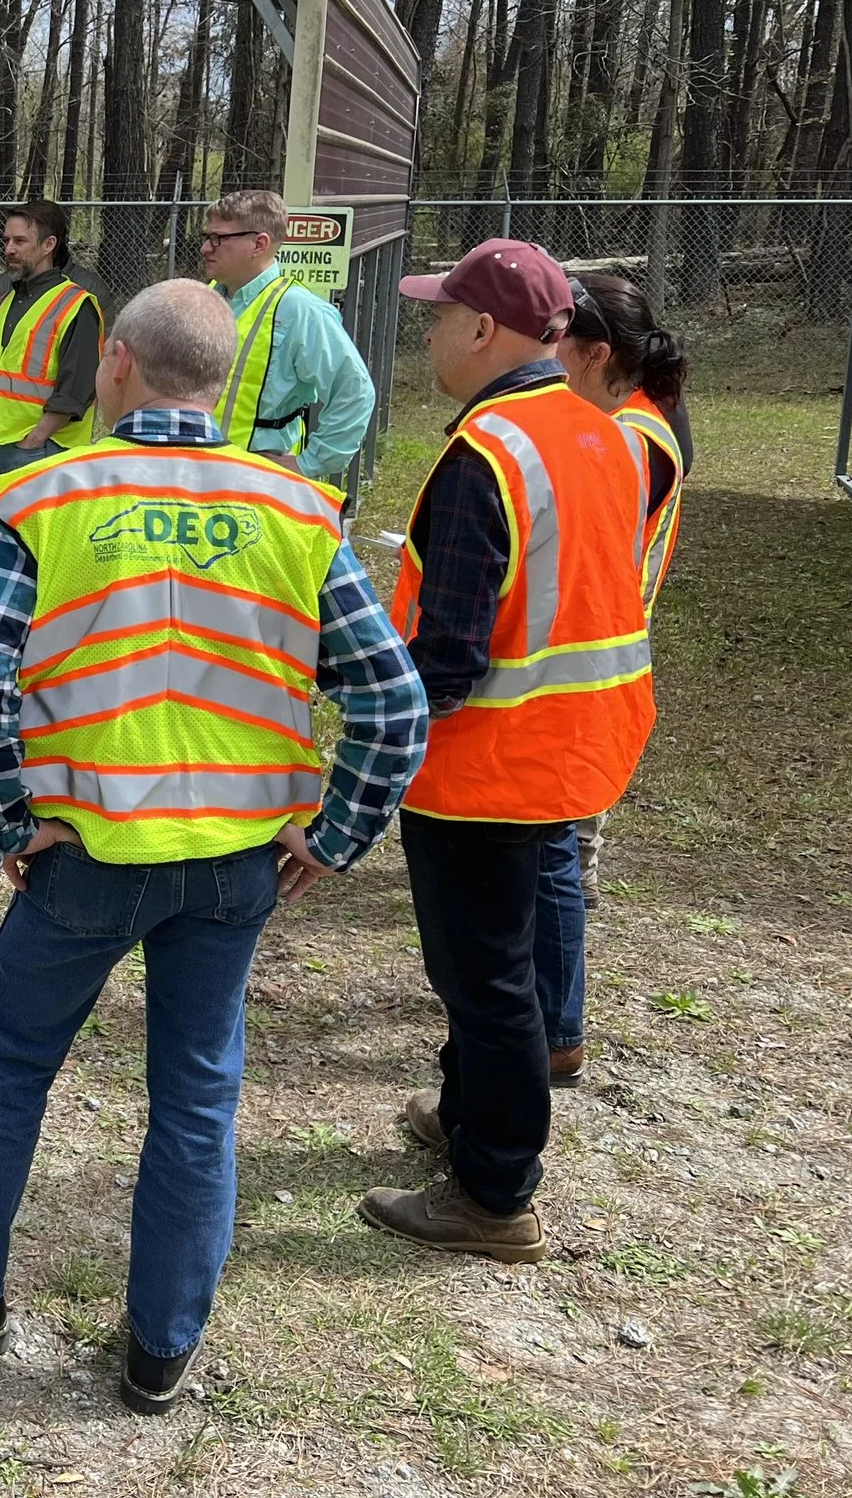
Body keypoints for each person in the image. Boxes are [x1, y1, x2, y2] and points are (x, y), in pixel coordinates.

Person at [0, 279, 425, 1411]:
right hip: (237, 867)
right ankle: (161, 1346)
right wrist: (335, 835)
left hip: (86, 860)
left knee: (11, 1065)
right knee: (199, 1099)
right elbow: (393, 703)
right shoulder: (300, 508)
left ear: (114, 362)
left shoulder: (46, 494)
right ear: (218, 381)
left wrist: (7, 824)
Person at [361, 239, 657, 1262]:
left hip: (489, 765)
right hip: (577, 746)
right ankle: (469, 1114)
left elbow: (446, 650)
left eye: (439, 317)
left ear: (485, 329)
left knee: (482, 977)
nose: (431, 334)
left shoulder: (488, 451)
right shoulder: (604, 434)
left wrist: (367, 709)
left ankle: (493, 1193)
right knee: (502, 968)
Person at [534, 271, 693, 1087]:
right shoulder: (626, 420)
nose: (543, 350)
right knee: (550, 844)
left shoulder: (633, 438)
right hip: (588, 651)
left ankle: (558, 1026)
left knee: (555, 845)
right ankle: (545, 1012)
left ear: (597, 354)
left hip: (589, 658)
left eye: (557, 337)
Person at [197, 187, 377, 483]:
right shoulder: (203, 301)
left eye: (218, 238)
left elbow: (355, 391)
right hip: (195, 478)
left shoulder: (298, 310)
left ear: (259, 244)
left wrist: (308, 464)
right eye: (206, 237)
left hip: (260, 488)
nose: (206, 248)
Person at [0, 199, 102, 543]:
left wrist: (37, 438)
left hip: (36, 446)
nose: (9, 249)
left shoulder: (76, 305)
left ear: (49, 245)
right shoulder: (9, 300)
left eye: (20, 241)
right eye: (7, 240)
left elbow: (79, 388)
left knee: (36, 552)